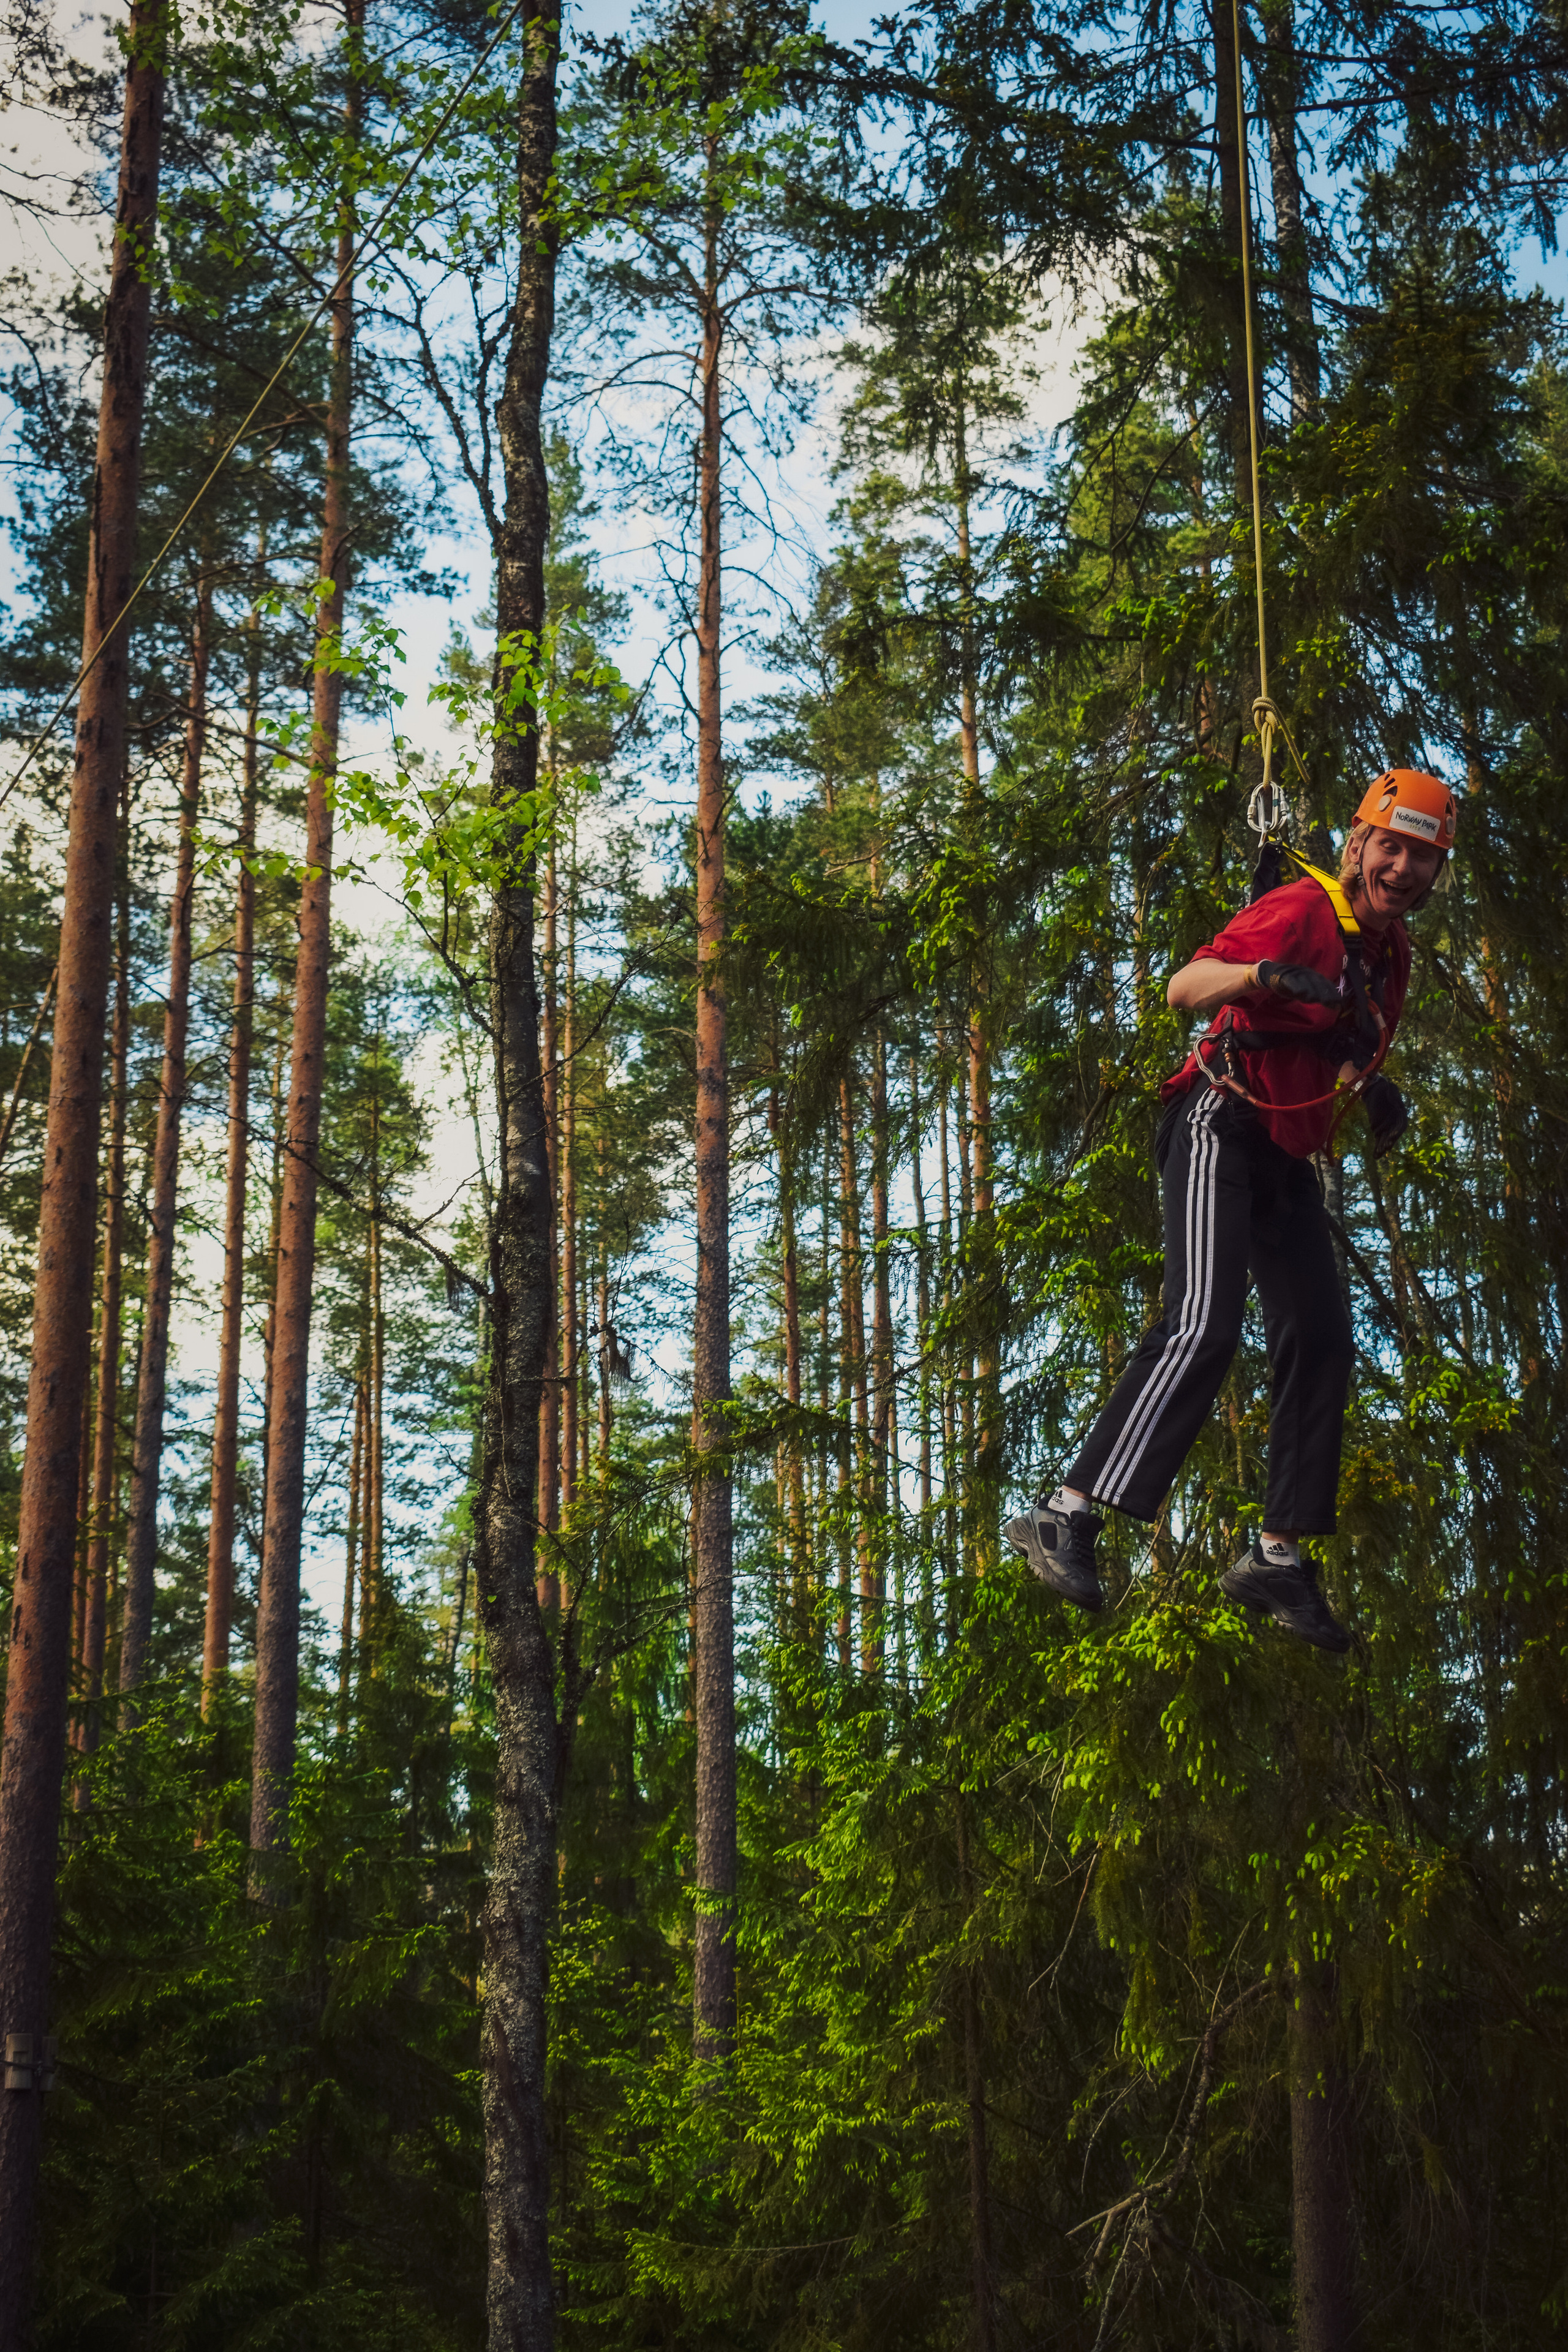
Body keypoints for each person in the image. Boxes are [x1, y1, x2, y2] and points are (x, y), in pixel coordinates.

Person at [1005, 768, 1455, 1651]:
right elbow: (1183, 987)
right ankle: (1063, 1515)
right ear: (1358, 843)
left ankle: (1276, 1557)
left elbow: (1341, 1058)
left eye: (1421, 858)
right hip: (1218, 1117)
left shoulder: (1389, 956)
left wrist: (1371, 1089)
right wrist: (1260, 974)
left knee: (1322, 1336)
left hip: (1287, 1150)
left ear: (1436, 875)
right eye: (1390, 847)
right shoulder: (1302, 908)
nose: (1401, 868)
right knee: (1203, 1325)